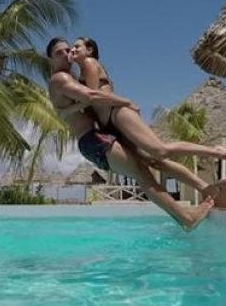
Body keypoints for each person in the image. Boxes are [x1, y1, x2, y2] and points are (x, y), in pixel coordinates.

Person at [46, 37, 213, 230]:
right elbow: (91, 96)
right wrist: (125, 102)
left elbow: (85, 104)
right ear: (50, 59)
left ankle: (188, 211)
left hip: (98, 138)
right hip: (93, 139)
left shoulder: (71, 79)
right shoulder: (61, 78)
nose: (67, 54)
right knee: (143, 174)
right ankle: (187, 218)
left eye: (68, 50)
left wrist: (65, 111)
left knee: (148, 167)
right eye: (59, 52)